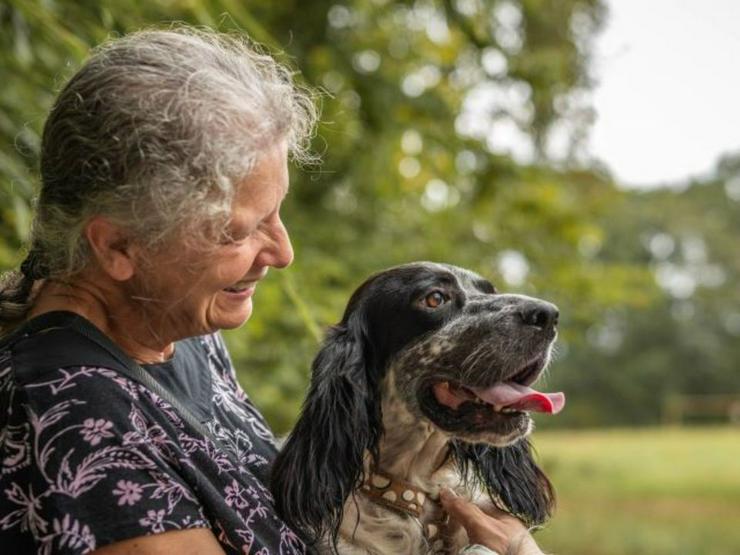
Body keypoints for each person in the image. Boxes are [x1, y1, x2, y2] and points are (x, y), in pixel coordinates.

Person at [0, 27, 546, 555]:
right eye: (238, 230)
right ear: (118, 246)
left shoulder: (169, 325)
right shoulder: (78, 419)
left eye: (276, 212)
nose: (282, 253)